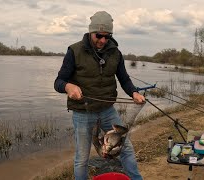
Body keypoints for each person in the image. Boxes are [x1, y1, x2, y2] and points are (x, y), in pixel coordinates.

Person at [54, 11, 145, 180]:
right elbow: (58, 81)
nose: (103, 40)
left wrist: (133, 92)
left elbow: (124, 79)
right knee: (82, 159)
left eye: (107, 36)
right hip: (82, 112)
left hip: (107, 111)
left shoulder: (115, 53)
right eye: (99, 35)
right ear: (91, 32)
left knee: (126, 149)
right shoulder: (74, 51)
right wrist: (68, 86)